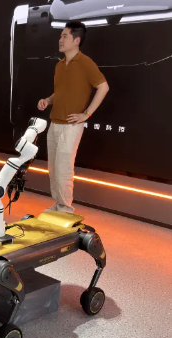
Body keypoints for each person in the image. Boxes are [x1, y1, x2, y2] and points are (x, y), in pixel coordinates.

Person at [37, 21, 109, 213]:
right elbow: (60, 92)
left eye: (64, 36)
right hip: (55, 122)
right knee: (53, 169)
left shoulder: (85, 62)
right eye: (60, 36)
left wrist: (86, 114)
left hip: (70, 126)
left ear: (76, 40)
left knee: (63, 169)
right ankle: (58, 205)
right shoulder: (60, 65)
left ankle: (66, 209)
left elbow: (103, 87)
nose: (60, 40)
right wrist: (47, 100)